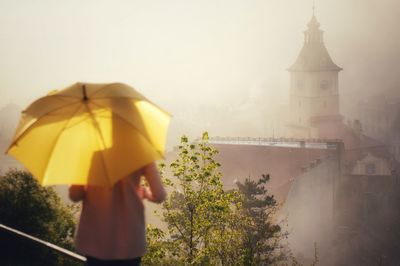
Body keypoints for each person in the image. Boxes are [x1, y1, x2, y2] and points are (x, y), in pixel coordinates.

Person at [69, 162, 166, 266]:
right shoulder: (142, 155)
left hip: (96, 241)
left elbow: (75, 195)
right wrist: (144, 192)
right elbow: (159, 195)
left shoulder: (91, 156)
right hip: (130, 243)